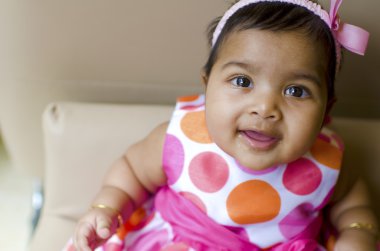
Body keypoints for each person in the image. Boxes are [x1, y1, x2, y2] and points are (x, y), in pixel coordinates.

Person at [64, 0, 378, 250]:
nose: (265, 108)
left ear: (326, 113)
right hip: (181, 242)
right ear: (207, 87)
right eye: (242, 81)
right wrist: (107, 206)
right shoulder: (181, 139)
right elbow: (131, 172)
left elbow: (353, 203)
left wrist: (357, 233)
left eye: (296, 90)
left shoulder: (328, 160)